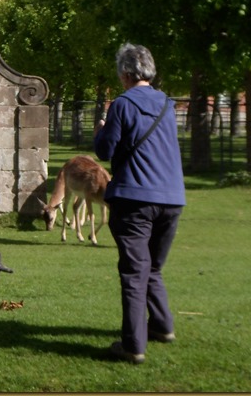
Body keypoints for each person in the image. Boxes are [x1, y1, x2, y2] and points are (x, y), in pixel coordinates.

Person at [94, 43, 186, 364]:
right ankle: (162, 326)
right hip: (172, 198)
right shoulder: (167, 104)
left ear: (125, 73)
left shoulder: (121, 104)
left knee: (135, 272)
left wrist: (100, 131)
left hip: (134, 198)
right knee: (152, 267)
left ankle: (133, 346)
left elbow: (105, 151)